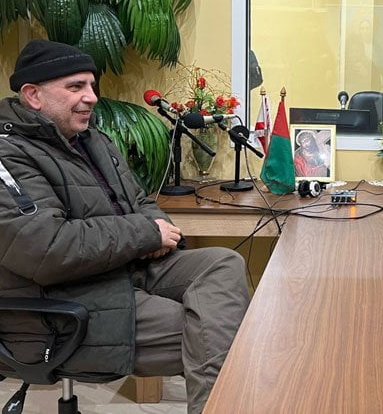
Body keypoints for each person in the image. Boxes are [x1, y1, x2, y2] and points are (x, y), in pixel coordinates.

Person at [0, 40, 251, 414]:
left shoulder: (92, 141)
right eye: (75, 87)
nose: (91, 97)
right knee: (218, 332)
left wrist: (160, 230)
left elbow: (140, 202)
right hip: (62, 300)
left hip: (121, 269)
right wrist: (146, 234)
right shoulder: (8, 154)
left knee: (222, 263)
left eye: (91, 85)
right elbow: (47, 248)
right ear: (33, 95)